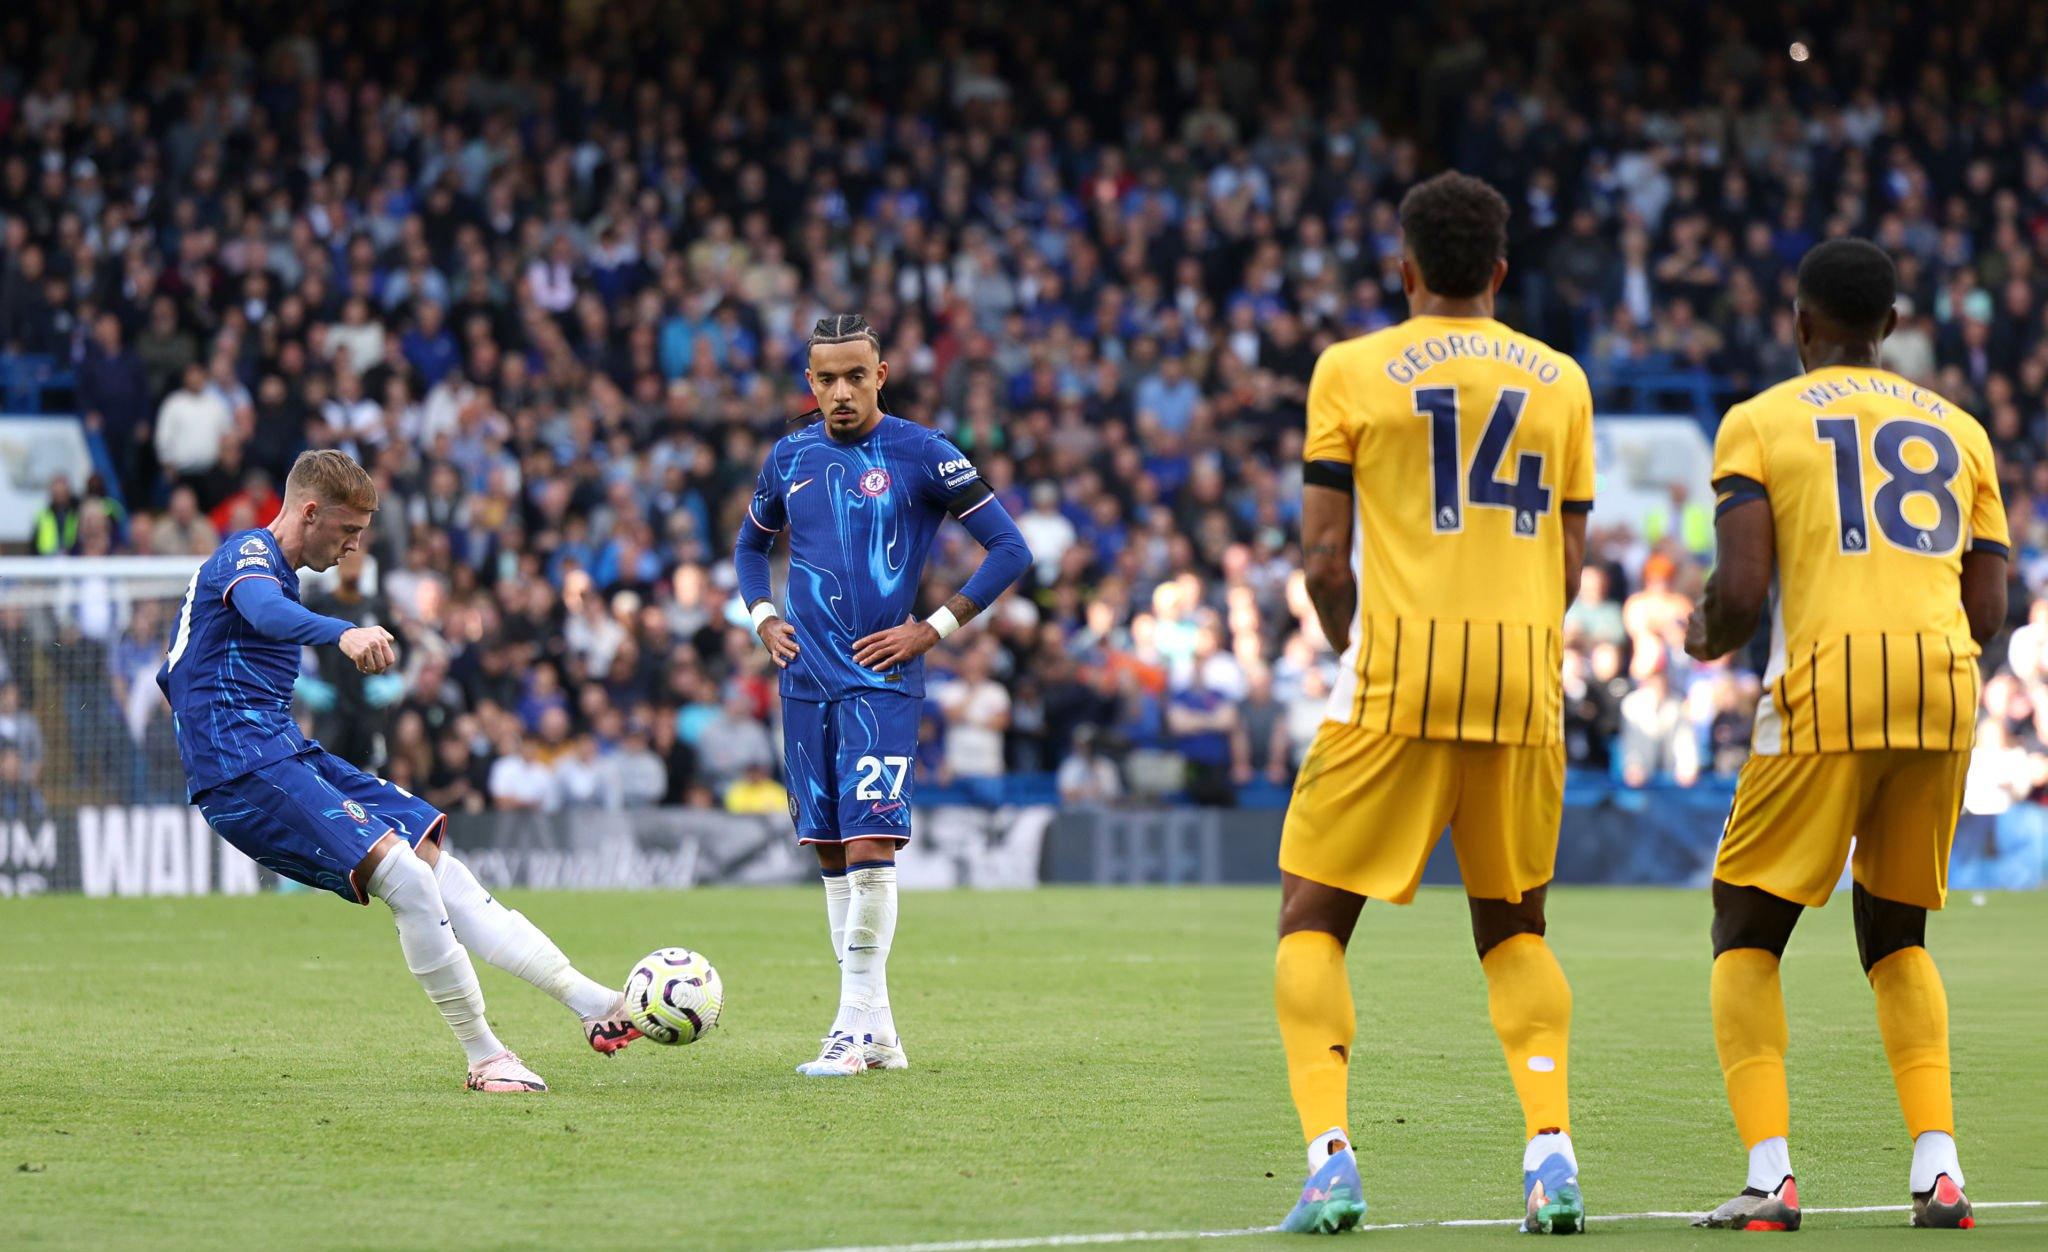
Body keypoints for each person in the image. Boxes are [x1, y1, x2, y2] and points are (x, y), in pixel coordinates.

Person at [1275, 171, 1594, 1234]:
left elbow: (1323, 561)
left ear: (1403, 269)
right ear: (1499, 272)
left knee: (1311, 917)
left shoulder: (1349, 370)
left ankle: (1329, 1162)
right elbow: (1568, 558)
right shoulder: (1561, 381)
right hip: (1521, 680)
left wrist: (1340, 642)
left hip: (1396, 677)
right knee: (1512, 927)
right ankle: (1549, 1150)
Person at [1683, 238, 2004, 1230]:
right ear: (1890, 328)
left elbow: (1738, 592)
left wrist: (1703, 632)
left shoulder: (1759, 419)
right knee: (1893, 930)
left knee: (1744, 923)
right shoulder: (1960, 429)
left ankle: (1769, 1176)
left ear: (1798, 323)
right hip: (1943, 685)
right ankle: (1937, 1168)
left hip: (1826, 685)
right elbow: (1987, 603)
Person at [157, 450, 640, 1093]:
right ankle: (486, 1057)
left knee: (442, 867)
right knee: (407, 879)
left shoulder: (281, 574)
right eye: (348, 531)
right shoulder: (246, 556)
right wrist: (342, 633)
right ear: (309, 511)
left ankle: (594, 1003)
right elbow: (265, 614)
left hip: (282, 749)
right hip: (239, 767)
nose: (355, 547)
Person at [735, 313, 1030, 1076]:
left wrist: (931, 629)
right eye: (826, 378)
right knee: (832, 853)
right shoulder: (789, 453)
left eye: (854, 376)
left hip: (881, 680)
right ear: (810, 382)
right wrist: (764, 615)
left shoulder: (920, 452)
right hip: (804, 683)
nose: (840, 391)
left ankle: (850, 1027)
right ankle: (880, 1031)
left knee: (870, 844)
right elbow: (748, 546)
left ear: (881, 374)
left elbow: (1010, 548)